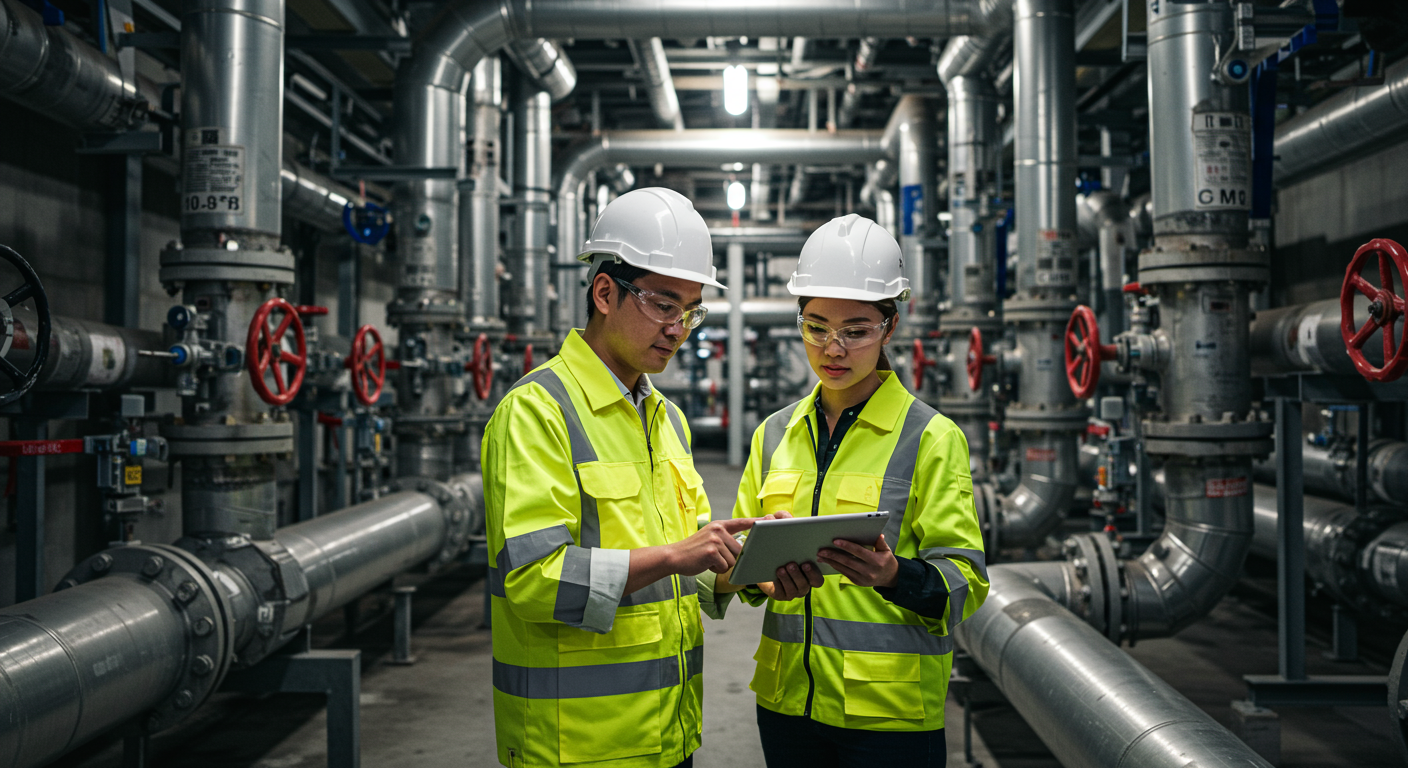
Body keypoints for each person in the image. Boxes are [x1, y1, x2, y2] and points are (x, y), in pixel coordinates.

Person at [699, 214, 989, 768]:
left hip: (888, 714)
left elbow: (965, 584)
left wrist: (894, 575)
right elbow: (740, 560)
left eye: (855, 331)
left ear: (890, 327)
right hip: (787, 704)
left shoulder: (931, 437)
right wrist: (760, 577)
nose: (833, 349)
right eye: (816, 327)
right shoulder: (774, 434)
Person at [483, 187, 757, 768]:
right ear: (605, 293)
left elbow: (682, 575)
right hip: (578, 745)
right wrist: (677, 555)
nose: (678, 328)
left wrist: (746, 566)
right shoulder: (537, 412)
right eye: (663, 304)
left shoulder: (667, 419)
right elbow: (533, 580)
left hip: (668, 734)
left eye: (691, 310)